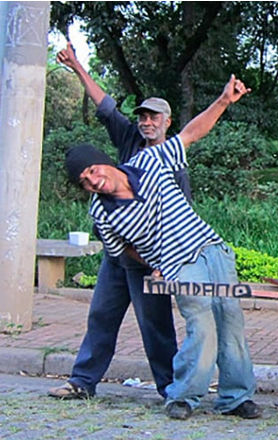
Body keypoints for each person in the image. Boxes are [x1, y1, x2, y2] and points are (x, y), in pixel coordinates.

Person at [64, 74, 260, 420]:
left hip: (212, 249)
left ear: (105, 162)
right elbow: (121, 251)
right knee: (202, 322)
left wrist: (224, 100)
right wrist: (155, 263)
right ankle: (182, 396)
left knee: (230, 319)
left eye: (93, 171)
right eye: (85, 182)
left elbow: (192, 133)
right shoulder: (101, 212)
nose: (94, 181)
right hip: (178, 264)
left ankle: (235, 397)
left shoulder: (150, 162)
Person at [48, 42, 180, 400]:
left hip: (149, 260)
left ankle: (171, 389)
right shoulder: (128, 139)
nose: (147, 122)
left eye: (154, 117)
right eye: (143, 117)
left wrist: (165, 264)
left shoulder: (174, 163)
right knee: (102, 316)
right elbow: (104, 104)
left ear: (168, 122)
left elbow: (180, 218)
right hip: (116, 255)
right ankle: (82, 381)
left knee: (156, 326)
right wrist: (76, 64)